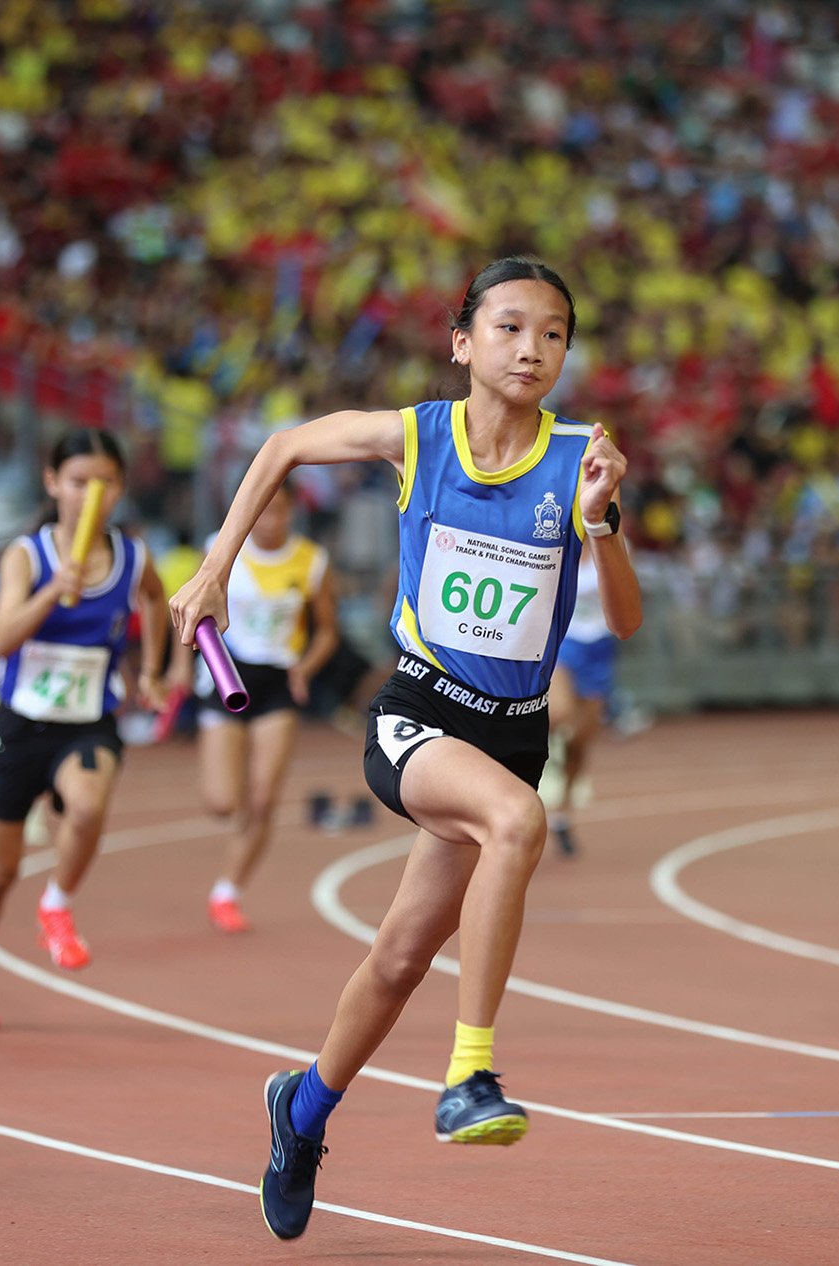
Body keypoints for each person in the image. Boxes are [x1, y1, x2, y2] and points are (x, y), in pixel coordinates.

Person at [170, 257, 642, 1241]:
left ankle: (298, 1114)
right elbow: (286, 445)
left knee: (394, 960)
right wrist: (214, 566)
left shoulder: (579, 459)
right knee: (519, 822)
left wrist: (601, 527)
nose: (531, 348)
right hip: (419, 711)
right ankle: (470, 1073)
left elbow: (626, 620)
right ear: (463, 342)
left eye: (551, 333)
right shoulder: (417, 437)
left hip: (510, 733)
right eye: (509, 327)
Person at [0, 431, 183, 1033]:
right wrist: (54, 591)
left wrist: (153, 670)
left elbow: (156, 602)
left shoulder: (132, 556)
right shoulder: (26, 557)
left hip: (87, 724)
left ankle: (56, 903)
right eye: (78, 481)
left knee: (86, 810)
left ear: (121, 489)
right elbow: (2, 638)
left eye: (105, 483)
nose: (91, 495)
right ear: (52, 482)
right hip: (20, 726)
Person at [192, 480, 340, 933]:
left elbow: (327, 631)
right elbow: (194, 609)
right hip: (227, 675)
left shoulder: (311, 561)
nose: (271, 520)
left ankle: (227, 891)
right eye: (264, 510)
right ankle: (237, 829)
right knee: (223, 801)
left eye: (280, 511)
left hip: (277, 682)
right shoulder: (221, 548)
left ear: (293, 512)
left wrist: (304, 668)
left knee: (263, 797)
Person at [546, 553, 620, 856]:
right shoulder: (561, 534)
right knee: (558, 714)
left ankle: (562, 814)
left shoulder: (614, 540)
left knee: (580, 740)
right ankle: (525, 762)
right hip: (566, 639)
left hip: (600, 645)